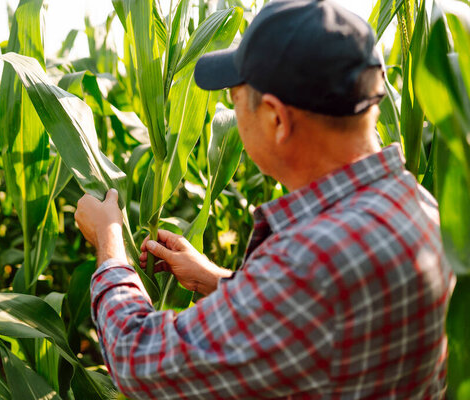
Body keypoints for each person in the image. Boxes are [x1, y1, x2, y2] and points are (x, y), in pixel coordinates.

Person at [75, 0, 455, 398]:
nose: (232, 113)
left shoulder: (311, 261)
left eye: (235, 100)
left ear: (276, 119)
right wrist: (217, 280)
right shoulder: (421, 207)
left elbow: (138, 362)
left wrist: (110, 239)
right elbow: (330, 321)